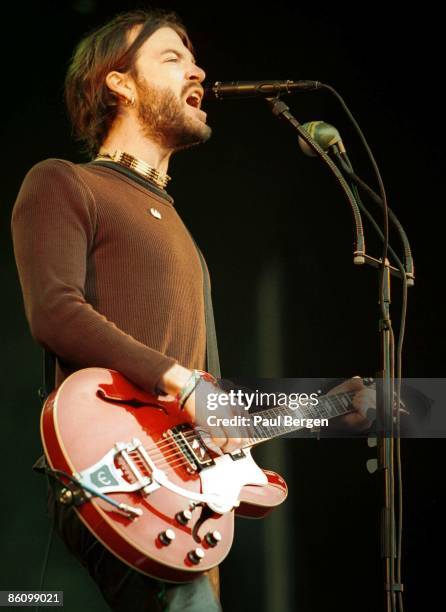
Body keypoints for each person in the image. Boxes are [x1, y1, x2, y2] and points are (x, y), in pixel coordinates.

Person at [11, 7, 375, 611]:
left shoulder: (182, 232)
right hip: (120, 475)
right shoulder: (66, 183)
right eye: (172, 57)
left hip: (188, 496)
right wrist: (182, 384)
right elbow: (55, 312)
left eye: (195, 58)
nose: (199, 70)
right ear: (119, 83)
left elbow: (211, 403)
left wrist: (337, 407)